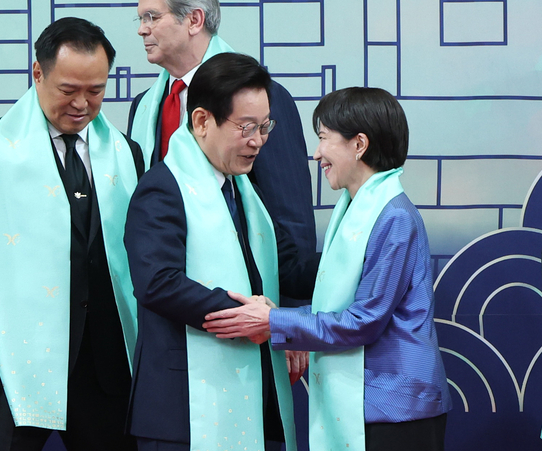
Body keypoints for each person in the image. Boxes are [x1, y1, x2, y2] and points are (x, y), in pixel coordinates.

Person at [203, 87, 452, 451]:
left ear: (359, 144)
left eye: (323, 139)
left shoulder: (394, 217)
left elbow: (363, 321)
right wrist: (277, 315)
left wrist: (274, 321)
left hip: (397, 408)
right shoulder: (357, 208)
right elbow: (343, 310)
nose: (317, 153)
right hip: (375, 405)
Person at [0, 17, 142, 450]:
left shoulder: (127, 154)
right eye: (68, 90)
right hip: (15, 368)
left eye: (96, 91)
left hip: (105, 372)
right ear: (38, 73)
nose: (82, 104)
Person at [124, 53, 319, 451]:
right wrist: (244, 314)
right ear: (201, 121)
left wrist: (355, 254)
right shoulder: (162, 188)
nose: (258, 141)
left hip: (250, 391)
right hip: (181, 408)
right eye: (246, 127)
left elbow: (288, 267)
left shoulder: (245, 191)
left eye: (265, 127)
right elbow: (157, 282)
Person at [127, 0, 316, 262]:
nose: (142, 30)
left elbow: (290, 217)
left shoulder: (261, 97)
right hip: (164, 273)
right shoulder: (143, 105)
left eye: (152, 17)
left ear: (194, 20)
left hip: (244, 278)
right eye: (140, 19)